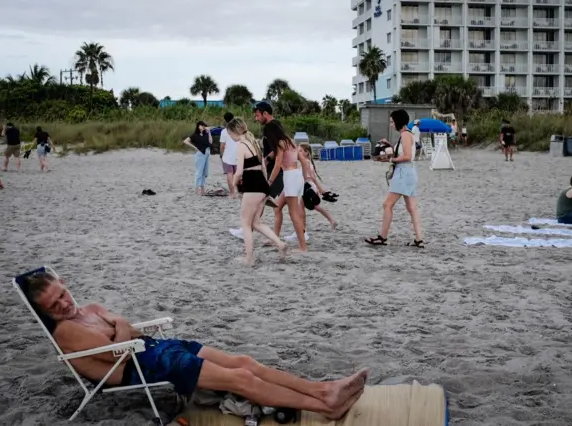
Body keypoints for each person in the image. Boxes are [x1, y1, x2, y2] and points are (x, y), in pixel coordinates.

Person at [23, 272, 368, 420]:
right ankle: (327, 407)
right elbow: (116, 351)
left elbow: (122, 331)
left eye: (63, 295)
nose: (65, 305)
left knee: (244, 361)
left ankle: (324, 390)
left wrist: (120, 328)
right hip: (143, 367)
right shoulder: (66, 332)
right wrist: (120, 327)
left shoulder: (90, 310)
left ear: (65, 285)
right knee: (242, 381)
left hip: (156, 349)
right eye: (54, 306)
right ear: (46, 313)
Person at [227, 118, 288, 265]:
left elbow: (239, 171)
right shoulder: (254, 143)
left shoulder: (241, 145)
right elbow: (263, 168)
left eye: (230, 134)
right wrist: (266, 187)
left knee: (245, 223)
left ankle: (249, 258)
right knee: (256, 223)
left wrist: (233, 187)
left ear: (234, 132)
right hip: (262, 185)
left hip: (252, 186)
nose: (230, 137)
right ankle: (280, 244)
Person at [365, 109, 424, 248]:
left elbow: (407, 156)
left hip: (403, 173)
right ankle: (419, 239)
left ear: (398, 121)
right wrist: (390, 146)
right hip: (409, 172)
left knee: (387, 204)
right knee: (412, 208)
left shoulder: (405, 135)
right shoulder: (407, 135)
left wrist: (391, 159)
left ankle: (382, 237)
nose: (391, 124)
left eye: (392, 122)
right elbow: (404, 152)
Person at [265, 121, 308, 251]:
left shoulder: (280, 143)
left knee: (293, 213)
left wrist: (269, 183)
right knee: (277, 207)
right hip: (296, 175)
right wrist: (304, 179)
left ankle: (303, 247)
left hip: (289, 177)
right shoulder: (289, 140)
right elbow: (303, 161)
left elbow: (278, 165)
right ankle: (275, 238)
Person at [297, 143, 337, 230]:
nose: (298, 152)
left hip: (308, 188)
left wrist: (320, 189)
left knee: (313, 207)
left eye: (300, 151)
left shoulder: (306, 163)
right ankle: (303, 230)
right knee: (303, 208)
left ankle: (303, 230)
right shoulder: (307, 162)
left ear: (307, 153)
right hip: (306, 187)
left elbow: (312, 178)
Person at [253, 102, 284, 203]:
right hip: (280, 170)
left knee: (259, 201)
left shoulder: (269, 127)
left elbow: (275, 150)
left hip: (274, 171)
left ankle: (252, 219)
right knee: (279, 205)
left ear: (265, 113)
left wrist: (265, 162)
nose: (256, 119)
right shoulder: (278, 124)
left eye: (258, 116)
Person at [183, 121, 213, 195]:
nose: (203, 127)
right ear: (198, 126)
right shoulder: (195, 135)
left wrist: (209, 132)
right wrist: (195, 147)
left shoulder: (206, 133)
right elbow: (186, 141)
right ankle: (196, 189)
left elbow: (210, 142)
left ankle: (202, 189)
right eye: (202, 126)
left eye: (204, 126)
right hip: (200, 154)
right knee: (199, 172)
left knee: (205, 172)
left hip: (207, 153)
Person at [220, 112, 239, 198]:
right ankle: (239, 191)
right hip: (238, 155)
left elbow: (222, 146)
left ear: (225, 120)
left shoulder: (224, 131)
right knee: (238, 174)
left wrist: (221, 154)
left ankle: (232, 193)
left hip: (227, 156)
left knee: (229, 174)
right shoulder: (239, 130)